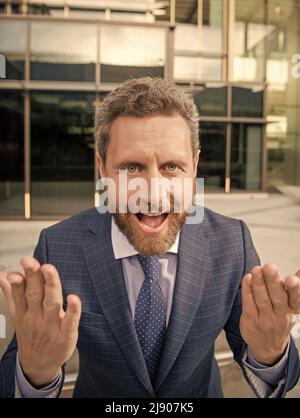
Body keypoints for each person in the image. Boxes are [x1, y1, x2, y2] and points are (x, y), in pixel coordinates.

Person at [0, 77, 299, 398]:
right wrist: (35, 371)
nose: (154, 193)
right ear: (103, 168)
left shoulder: (232, 241)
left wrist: (271, 354)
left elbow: (276, 370)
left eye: (172, 166)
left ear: (194, 165)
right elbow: (14, 375)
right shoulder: (57, 246)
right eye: (131, 167)